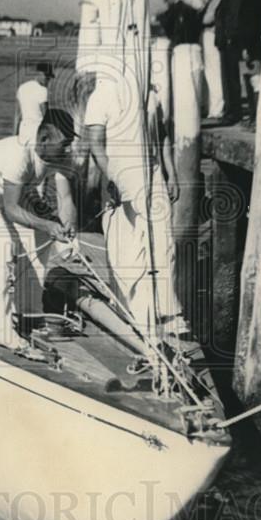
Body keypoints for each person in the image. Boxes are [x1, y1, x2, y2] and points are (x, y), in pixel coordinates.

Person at [0, 108, 77, 359]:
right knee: (1, 245)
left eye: (69, 144)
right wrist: (47, 224)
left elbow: (65, 199)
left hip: (10, 189)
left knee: (43, 237)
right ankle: (1, 331)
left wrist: (66, 227)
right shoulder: (19, 156)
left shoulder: (60, 155)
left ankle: (29, 313)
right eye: (63, 144)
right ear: (43, 140)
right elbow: (12, 210)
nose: (67, 150)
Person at [84, 73, 188, 343]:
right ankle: (133, 312)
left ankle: (167, 311)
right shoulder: (102, 93)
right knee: (125, 248)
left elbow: (162, 134)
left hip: (151, 171)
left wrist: (171, 173)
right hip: (120, 170)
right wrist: (112, 177)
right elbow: (95, 142)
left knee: (163, 241)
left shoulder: (150, 93)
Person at [213, 0, 244, 125]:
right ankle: (232, 111)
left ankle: (233, 112)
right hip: (227, 41)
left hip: (229, 43)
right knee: (230, 78)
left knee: (230, 79)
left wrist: (229, 38)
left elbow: (233, 17)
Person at [199, 0, 225, 122]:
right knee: (212, 73)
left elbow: (207, 19)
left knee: (214, 73)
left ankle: (217, 108)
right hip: (209, 37)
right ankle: (214, 107)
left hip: (211, 36)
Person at [14, 61, 54, 145]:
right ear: (39, 74)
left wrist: (14, 136)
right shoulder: (43, 90)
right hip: (37, 133)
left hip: (23, 133)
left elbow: (17, 116)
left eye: (49, 79)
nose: (48, 81)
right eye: (46, 77)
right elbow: (46, 117)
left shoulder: (22, 88)